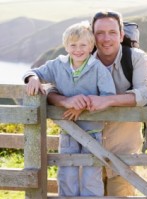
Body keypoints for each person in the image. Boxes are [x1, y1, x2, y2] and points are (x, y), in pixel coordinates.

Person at [47, 10, 147, 196]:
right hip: (83, 149)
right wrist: (65, 101)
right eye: (99, 33)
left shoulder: (136, 58)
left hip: (122, 152)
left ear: (121, 35)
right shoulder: (79, 57)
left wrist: (107, 100)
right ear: (92, 36)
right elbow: (50, 90)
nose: (106, 39)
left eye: (112, 32)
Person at [23, 21, 116, 196]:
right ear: (66, 46)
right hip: (67, 130)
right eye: (73, 45)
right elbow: (33, 72)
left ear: (91, 46)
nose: (78, 49)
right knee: (67, 172)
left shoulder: (98, 69)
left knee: (91, 174)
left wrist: (81, 106)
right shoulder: (58, 65)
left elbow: (107, 96)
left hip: (93, 131)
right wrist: (33, 78)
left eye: (83, 45)